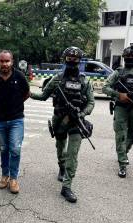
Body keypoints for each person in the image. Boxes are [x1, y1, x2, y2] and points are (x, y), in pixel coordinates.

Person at [30, 46, 95, 203]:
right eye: (69, 59)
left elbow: (91, 103)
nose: (72, 61)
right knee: (60, 148)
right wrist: (28, 94)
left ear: (79, 61)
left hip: (76, 122)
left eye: (76, 59)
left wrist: (82, 113)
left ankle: (67, 186)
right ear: (65, 60)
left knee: (72, 154)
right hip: (59, 120)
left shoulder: (85, 81)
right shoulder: (57, 79)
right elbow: (44, 95)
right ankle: (61, 166)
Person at [102, 45, 133, 178]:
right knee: (121, 135)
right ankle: (122, 164)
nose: (130, 59)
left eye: (132, 57)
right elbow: (105, 88)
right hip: (121, 109)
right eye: (128, 57)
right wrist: (119, 95)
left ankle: (123, 151)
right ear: (124, 58)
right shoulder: (118, 73)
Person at [0, 50, 30, 194]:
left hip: (16, 119)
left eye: (7, 61)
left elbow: (26, 94)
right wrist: (0, 104)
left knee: (15, 149)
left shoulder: (20, 76)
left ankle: (14, 178)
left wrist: (15, 105)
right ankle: (5, 175)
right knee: (4, 149)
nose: (4, 64)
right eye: (2, 61)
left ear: (12, 61)